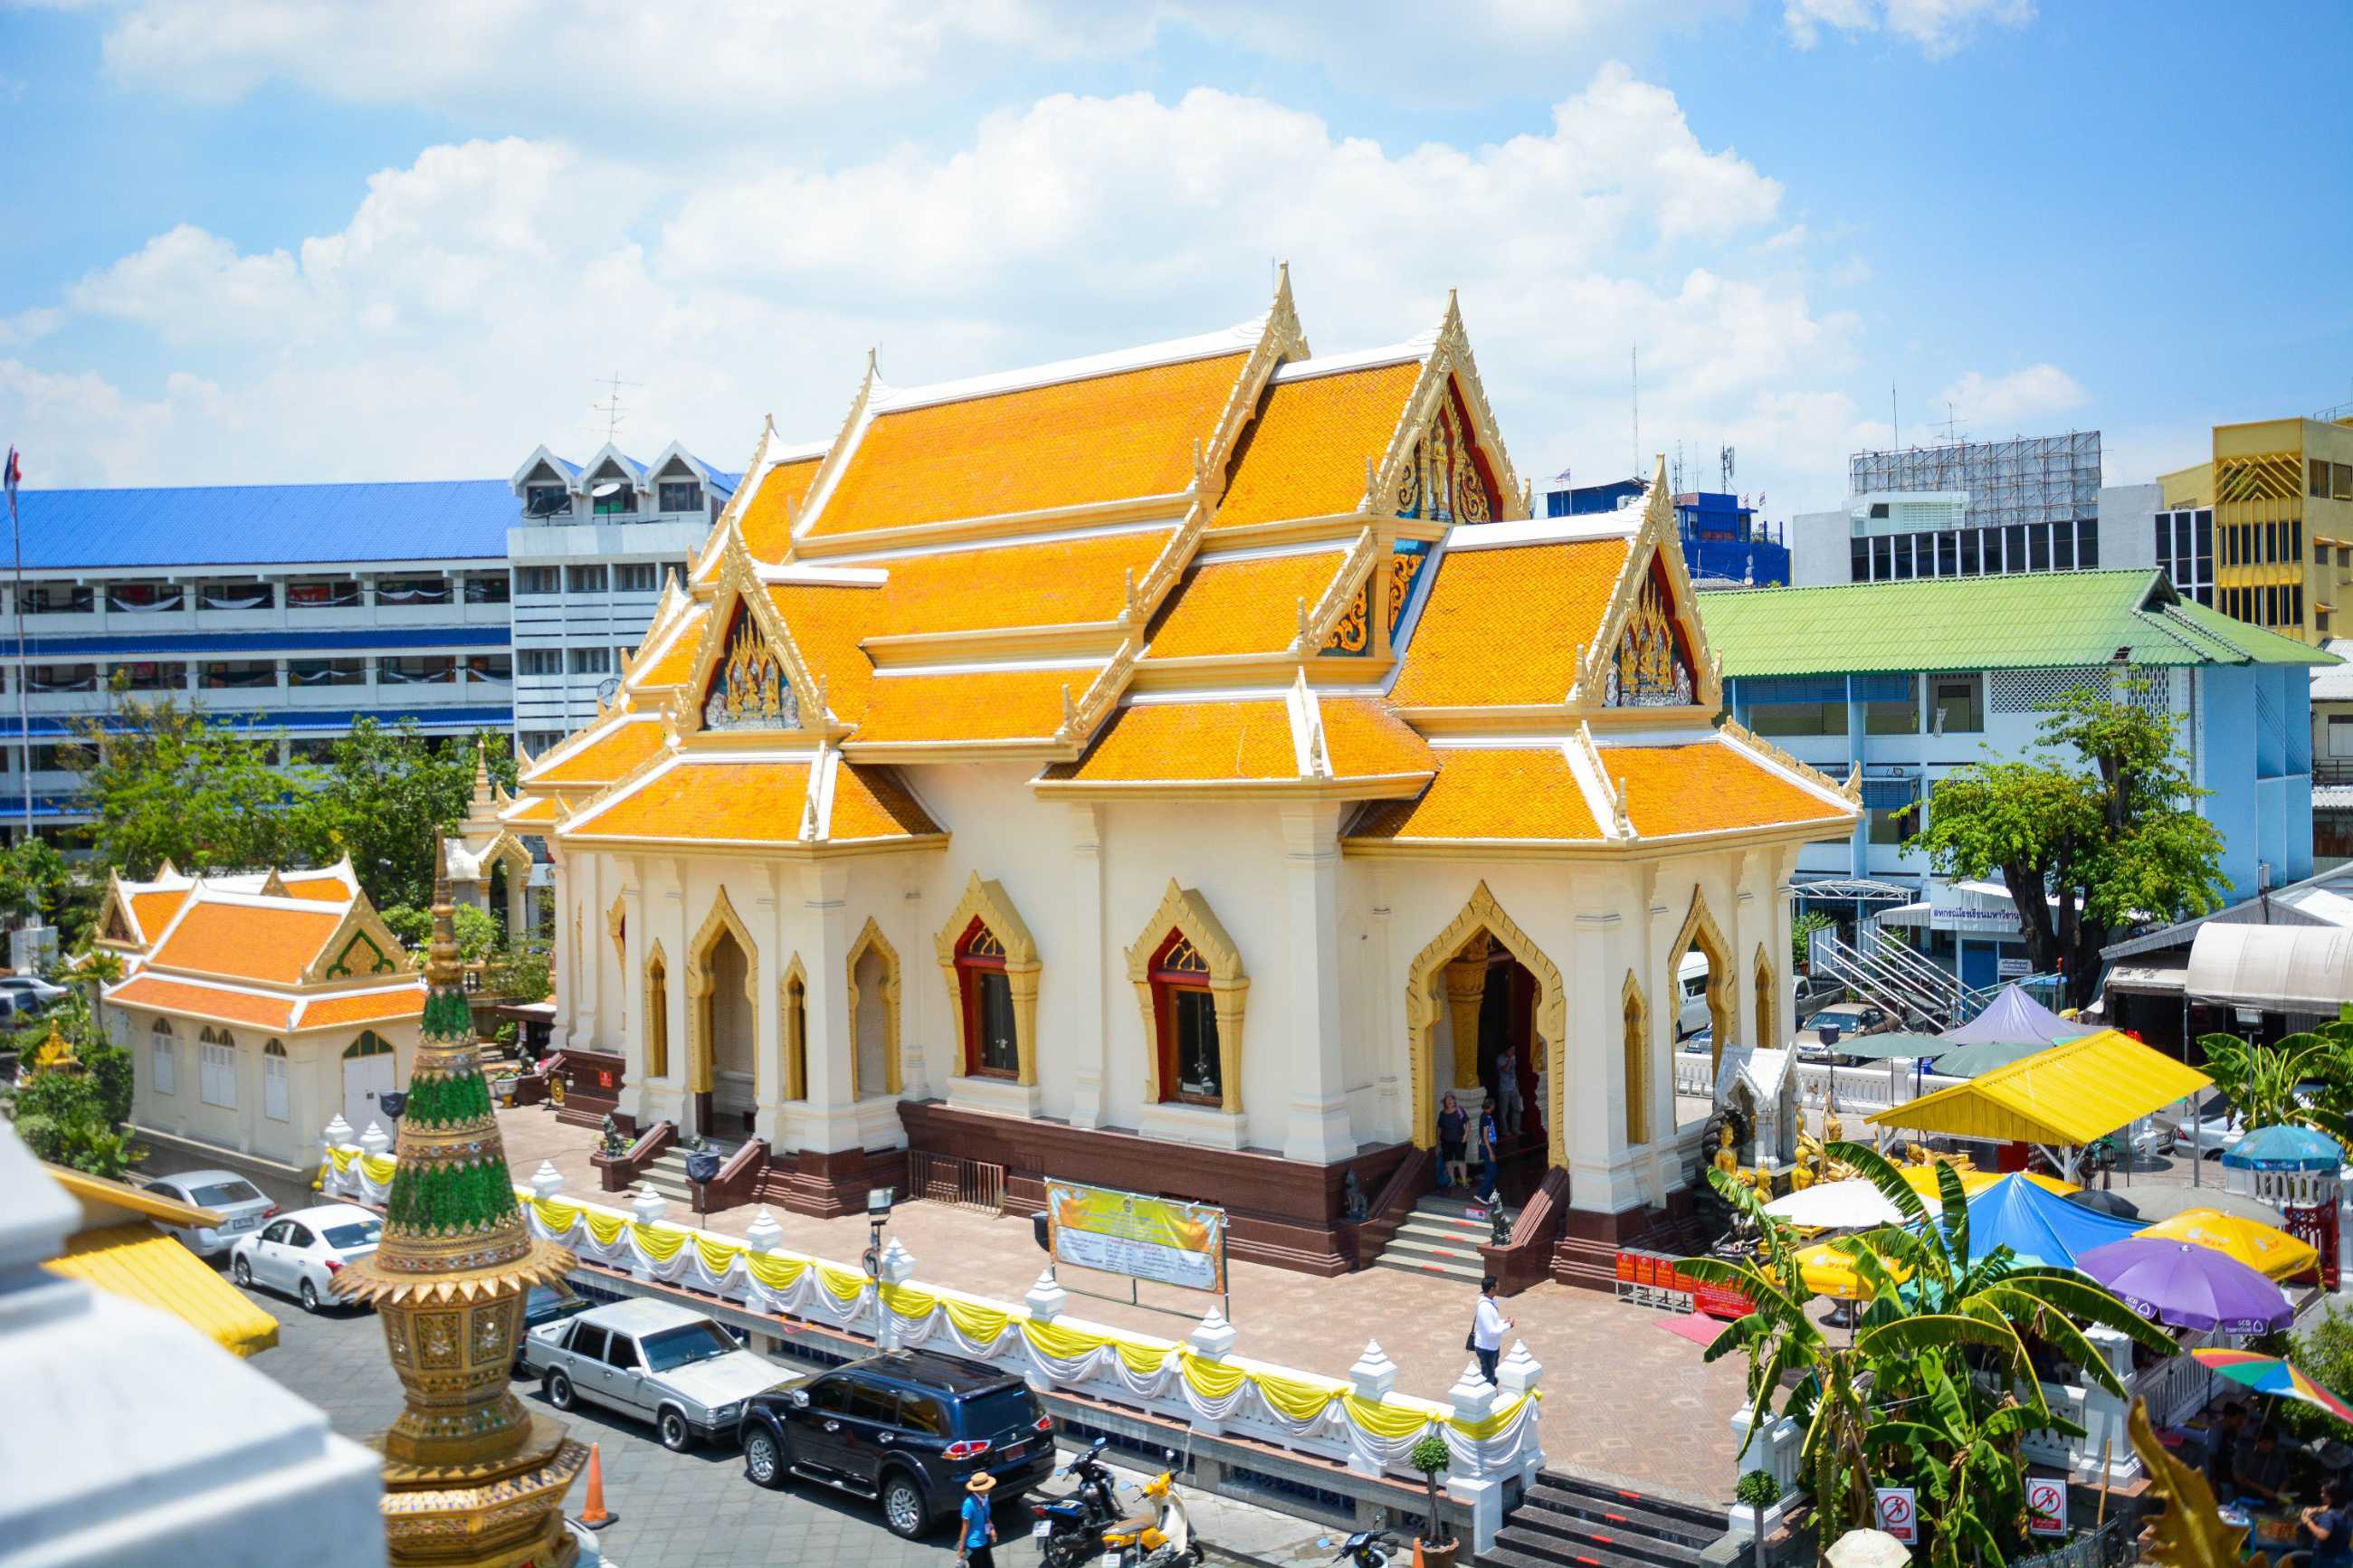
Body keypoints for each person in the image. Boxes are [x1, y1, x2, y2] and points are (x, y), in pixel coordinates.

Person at [1471, 1275, 1511, 1385]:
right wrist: (1508, 1326)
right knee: (1488, 1378)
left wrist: (1504, 1322)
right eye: (1497, 1285)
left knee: (1491, 1374)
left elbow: (1495, 1323)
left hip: (1493, 1346)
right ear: (1492, 1289)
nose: (1499, 1287)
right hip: (1486, 1348)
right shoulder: (1485, 1307)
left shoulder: (1492, 1301)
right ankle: (1489, 1399)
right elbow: (1491, 1331)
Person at [2304, 1478, 2353, 1568]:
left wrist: (2307, 1521)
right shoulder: (2347, 1510)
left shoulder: (2329, 1515)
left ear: (2333, 1496)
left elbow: (2323, 1535)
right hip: (2344, 1557)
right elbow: (2326, 1508)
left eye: (2324, 1493)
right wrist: (2315, 1510)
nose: (2321, 1495)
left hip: (2327, 1560)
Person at [2237, 1426, 2291, 1508]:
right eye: (2265, 1442)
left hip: (2270, 1502)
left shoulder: (2279, 1455)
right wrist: (2263, 1490)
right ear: (2257, 1441)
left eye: (2271, 1443)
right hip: (2247, 1499)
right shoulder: (2246, 1452)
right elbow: (2240, 1477)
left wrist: (2281, 1492)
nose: (2268, 1446)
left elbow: (2285, 1478)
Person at [2206, 1403, 2248, 1500]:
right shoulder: (2216, 1432)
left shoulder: (2233, 1431)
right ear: (2229, 1417)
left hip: (2230, 1477)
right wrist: (2213, 1482)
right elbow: (2211, 1458)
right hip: (2219, 1479)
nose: (2241, 1423)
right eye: (2238, 1419)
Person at [958, 1473, 998, 1567]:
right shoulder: (968, 1504)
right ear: (980, 1489)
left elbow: (987, 1517)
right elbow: (965, 1528)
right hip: (974, 1545)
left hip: (985, 1540)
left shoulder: (986, 1498)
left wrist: (992, 1529)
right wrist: (961, 1548)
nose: (990, 1487)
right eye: (987, 1486)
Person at [1437, 1093, 1469, 1192]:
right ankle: (1452, 1181)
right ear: (1445, 1102)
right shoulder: (1442, 1113)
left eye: (1452, 1099)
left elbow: (1468, 1123)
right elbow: (1439, 1127)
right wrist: (1437, 1138)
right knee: (1448, 1161)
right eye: (1448, 1100)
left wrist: (1465, 1135)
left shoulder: (1460, 1110)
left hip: (1459, 1140)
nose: (1450, 1102)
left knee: (1461, 1161)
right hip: (1446, 1141)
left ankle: (1464, 1181)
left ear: (1454, 1100)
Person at [1495, 1046, 1523, 1139]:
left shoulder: (1513, 1058)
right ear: (1505, 1050)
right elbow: (1506, 1070)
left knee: (1517, 1109)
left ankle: (1516, 1129)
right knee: (1504, 1111)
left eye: (1514, 1050)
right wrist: (1510, 1060)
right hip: (1504, 1089)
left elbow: (1514, 1073)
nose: (1513, 1052)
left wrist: (1518, 1087)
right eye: (1511, 1050)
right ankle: (1505, 1131)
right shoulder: (1500, 1058)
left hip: (1514, 1087)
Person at [1476, 1102, 1500, 1202]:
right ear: (1491, 1106)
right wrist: (1491, 1152)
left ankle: (1488, 1195)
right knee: (1492, 1173)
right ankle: (1481, 1194)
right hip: (1487, 1147)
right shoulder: (1488, 1118)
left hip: (1484, 1147)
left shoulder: (1483, 1116)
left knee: (1489, 1171)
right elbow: (1486, 1137)